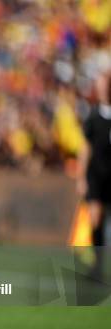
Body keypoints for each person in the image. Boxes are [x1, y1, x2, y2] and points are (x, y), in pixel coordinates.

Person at [77, 72, 111, 280]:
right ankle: (97, 267)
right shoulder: (93, 116)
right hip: (97, 175)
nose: (103, 90)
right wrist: (81, 177)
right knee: (96, 218)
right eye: (101, 86)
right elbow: (85, 148)